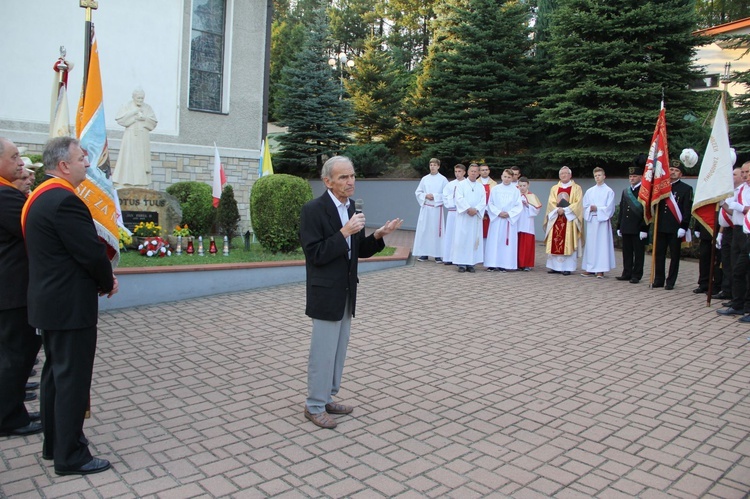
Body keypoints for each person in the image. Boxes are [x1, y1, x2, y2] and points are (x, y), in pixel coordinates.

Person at [24, 136, 118, 475]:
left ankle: (54, 445)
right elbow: (89, 253)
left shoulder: (39, 196)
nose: (88, 164)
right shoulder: (64, 201)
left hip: (49, 303)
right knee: (71, 381)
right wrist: (108, 282)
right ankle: (71, 456)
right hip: (68, 307)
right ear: (64, 165)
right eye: (82, 158)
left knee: (55, 376)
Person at [299, 156, 402, 429]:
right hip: (325, 291)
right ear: (328, 181)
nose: (350, 182)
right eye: (343, 177)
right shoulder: (313, 210)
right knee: (322, 351)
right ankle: (314, 405)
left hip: (346, 290)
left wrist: (379, 235)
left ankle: (326, 397)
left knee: (338, 349)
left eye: (352, 176)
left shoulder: (351, 208)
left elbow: (358, 251)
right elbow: (315, 254)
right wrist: (344, 232)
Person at [0, 138, 42, 437]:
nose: (21, 163)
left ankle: (13, 409)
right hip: (12, 291)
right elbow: (37, 229)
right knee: (16, 354)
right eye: (15, 157)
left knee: (15, 354)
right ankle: (9, 418)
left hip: (10, 289)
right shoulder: (5, 196)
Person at [652, 160, 693, 290]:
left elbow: (687, 210)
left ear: (680, 174)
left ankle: (670, 281)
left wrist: (684, 226)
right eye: (671, 169)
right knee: (659, 254)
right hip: (661, 226)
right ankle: (659, 279)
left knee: (674, 256)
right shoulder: (661, 187)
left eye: (676, 170)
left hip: (676, 228)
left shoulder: (686, 189)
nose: (673, 172)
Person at [718, 161, 750, 318]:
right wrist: (723, 204)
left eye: (747, 172)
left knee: (745, 271)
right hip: (738, 230)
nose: (745, 175)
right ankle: (737, 303)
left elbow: (743, 208)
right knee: (735, 268)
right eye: (743, 172)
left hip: (747, 234)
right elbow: (732, 211)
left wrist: (740, 207)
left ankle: (745, 304)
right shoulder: (742, 189)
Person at [112, 88, 158, 188]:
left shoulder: (147, 108)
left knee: (141, 161)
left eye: (142, 98)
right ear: (133, 97)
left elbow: (153, 122)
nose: (140, 100)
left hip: (142, 137)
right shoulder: (126, 106)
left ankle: (141, 184)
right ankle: (125, 182)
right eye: (138, 98)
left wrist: (144, 118)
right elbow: (120, 120)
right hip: (130, 137)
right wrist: (134, 115)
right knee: (127, 158)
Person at [543, 166, 583, 275]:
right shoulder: (554, 188)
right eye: (561, 174)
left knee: (568, 241)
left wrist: (565, 210)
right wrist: (558, 210)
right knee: (555, 241)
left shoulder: (576, 188)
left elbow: (578, 203)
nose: (563, 175)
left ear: (570, 175)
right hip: (556, 217)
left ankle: (567, 267)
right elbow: (551, 202)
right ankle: (554, 267)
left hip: (569, 219)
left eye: (566, 173)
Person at [616, 158, 649, 283]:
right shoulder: (626, 191)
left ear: (641, 177)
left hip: (638, 227)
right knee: (627, 252)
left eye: (635, 176)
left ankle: (636, 275)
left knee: (638, 253)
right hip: (626, 226)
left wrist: (644, 228)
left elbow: (647, 212)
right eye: (630, 176)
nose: (632, 178)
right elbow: (622, 209)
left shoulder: (644, 191)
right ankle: (627, 272)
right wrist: (619, 225)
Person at [484, 169, 523, 272]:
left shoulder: (515, 190)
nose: (506, 179)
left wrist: (509, 214)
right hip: (497, 219)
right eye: (505, 177)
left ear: (512, 178)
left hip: (508, 220)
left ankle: (504, 264)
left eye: (509, 177)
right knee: (494, 241)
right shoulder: (495, 189)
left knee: (506, 242)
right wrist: (498, 212)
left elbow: (519, 205)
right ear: (501, 177)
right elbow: (490, 203)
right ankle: (492, 264)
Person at [581, 167, 616, 278]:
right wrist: (589, 209)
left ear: (604, 176)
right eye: (595, 176)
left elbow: (609, 208)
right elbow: (584, 206)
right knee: (591, 245)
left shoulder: (609, 191)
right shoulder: (590, 191)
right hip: (592, 221)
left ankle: (601, 269)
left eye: (599, 175)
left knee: (602, 245)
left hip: (602, 222)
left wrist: (598, 209)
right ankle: (590, 268)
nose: (597, 177)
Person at [451, 164, 486, 273]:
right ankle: (461, 263)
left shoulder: (481, 186)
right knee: (462, 239)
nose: (473, 173)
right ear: (468, 172)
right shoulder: (461, 185)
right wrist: (467, 209)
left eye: (476, 171)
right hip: (464, 216)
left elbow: (483, 201)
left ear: (478, 173)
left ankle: (471, 263)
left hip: (475, 217)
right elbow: (459, 198)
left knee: (472, 240)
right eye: (472, 171)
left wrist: (476, 210)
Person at [714, 166, 742, 300]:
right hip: (726, 230)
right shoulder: (731, 192)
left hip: (737, 230)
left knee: (734, 263)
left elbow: (733, 212)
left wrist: (724, 204)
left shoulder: (741, 191)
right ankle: (726, 290)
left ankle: (734, 293)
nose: (732, 176)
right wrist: (720, 232)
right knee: (725, 262)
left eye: (735, 174)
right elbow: (724, 216)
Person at [413, 158, 448, 262]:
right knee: (425, 230)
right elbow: (418, 192)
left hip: (436, 209)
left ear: (438, 166)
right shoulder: (425, 179)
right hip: (426, 208)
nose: (432, 167)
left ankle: (438, 254)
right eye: (431, 165)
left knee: (436, 231)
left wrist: (435, 196)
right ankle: (424, 253)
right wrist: (425, 195)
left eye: (434, 165)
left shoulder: (443, 179)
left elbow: (446, 194)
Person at [441, 164, 466, 265]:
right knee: (450, 234)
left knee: (460, 235)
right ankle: (448, 257)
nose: (457, 174)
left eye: (459, 171)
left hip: (462, 213)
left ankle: (459, 258)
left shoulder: (466, 184)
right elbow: (445, 196)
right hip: (452, 212)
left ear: (464, 172)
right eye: (456, 171)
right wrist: (451, 203)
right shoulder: (450, 184)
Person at [517, 177, 541, 271]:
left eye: (524, 185)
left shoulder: (532, 196)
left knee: (526, 244)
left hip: (527, 223)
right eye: (520, 186)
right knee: (517, 244)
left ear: (528, 185)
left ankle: (526, 264)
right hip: (517, 222)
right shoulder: (515, 195)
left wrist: (527, 205)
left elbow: (537, 210)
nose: (522, 188)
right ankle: (518, 263)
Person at [478, 164, 496, 251]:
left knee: (489, 233)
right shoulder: (476, 183)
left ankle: (488, 253)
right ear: (479, 172)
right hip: (478, 212)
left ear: (489, 171)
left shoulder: (494, 184)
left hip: (490, 212)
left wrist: (488, 209)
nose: (484, 171)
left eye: (486, 170)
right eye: (482, 170)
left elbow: (495, 199)